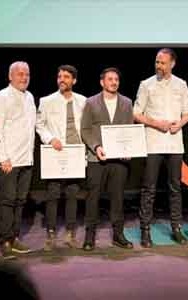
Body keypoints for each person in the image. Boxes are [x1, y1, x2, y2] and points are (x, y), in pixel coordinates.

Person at [133, 48, 188, 248]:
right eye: (157, 62)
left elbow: (186, 113)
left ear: (172, 64)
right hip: (153, 141)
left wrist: (179, 124)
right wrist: (156, 123)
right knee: (149, 188)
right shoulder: (146, 84)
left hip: (175, 142)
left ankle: (176, 228)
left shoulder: (181, 84)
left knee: (175, 187)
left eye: (163, 62)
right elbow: (136, 113)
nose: (159, 66)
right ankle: (145, 230)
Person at [80, 67, 134, 251]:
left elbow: (128, 130)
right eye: (110, 79)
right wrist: (96, 147)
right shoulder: (91, 102)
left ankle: (118, 235)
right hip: (97, 158)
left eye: (116, 80)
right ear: (102, 82)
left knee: (118, 198)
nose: (114, 82)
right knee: (93, 197)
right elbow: (85, 130)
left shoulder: (126, 103)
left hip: (119, 160)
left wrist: (128, 149)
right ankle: (89, 236)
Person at [36, 65, 86, 250]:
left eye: (66, 77)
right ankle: (50, 234)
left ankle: (70, 233)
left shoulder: (82, 101)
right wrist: (50, 139)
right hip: (55, 152)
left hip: (75, 154)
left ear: (74, 80)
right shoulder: (47, 101)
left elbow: (86, 127)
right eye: (59, 76)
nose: (62, 79)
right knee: (53, 193)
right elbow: (39, 125)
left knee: (72, 193)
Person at [0, 61, 36, 258]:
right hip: (7, 161)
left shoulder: (29, 97)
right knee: (8, 201)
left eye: (27, 74)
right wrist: (3, 158)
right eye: (19, 74)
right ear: (10, 77)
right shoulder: (2, 97)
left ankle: (14, 237)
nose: (24, 77)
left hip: (25, 159)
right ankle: (5, 240)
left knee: (20, 200)